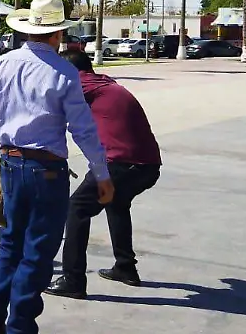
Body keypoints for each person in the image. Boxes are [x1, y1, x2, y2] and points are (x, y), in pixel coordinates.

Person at [0, 0, 114, 334]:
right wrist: (102, 174)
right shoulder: (63, 72)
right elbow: (82, 130)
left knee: (10, 245)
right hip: (46, 170)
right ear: (59, 33)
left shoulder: (1, 64)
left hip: (10, 164)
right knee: (37, 252)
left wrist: (6, 135)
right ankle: (20, 333)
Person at [47, 50, 161, 297]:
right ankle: (125, 267)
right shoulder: (104, 84)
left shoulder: (82, 86)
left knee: (77, 208)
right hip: (147, 165)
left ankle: (73, 280)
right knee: (116, 203)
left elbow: (49, 109)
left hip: (121, 163)